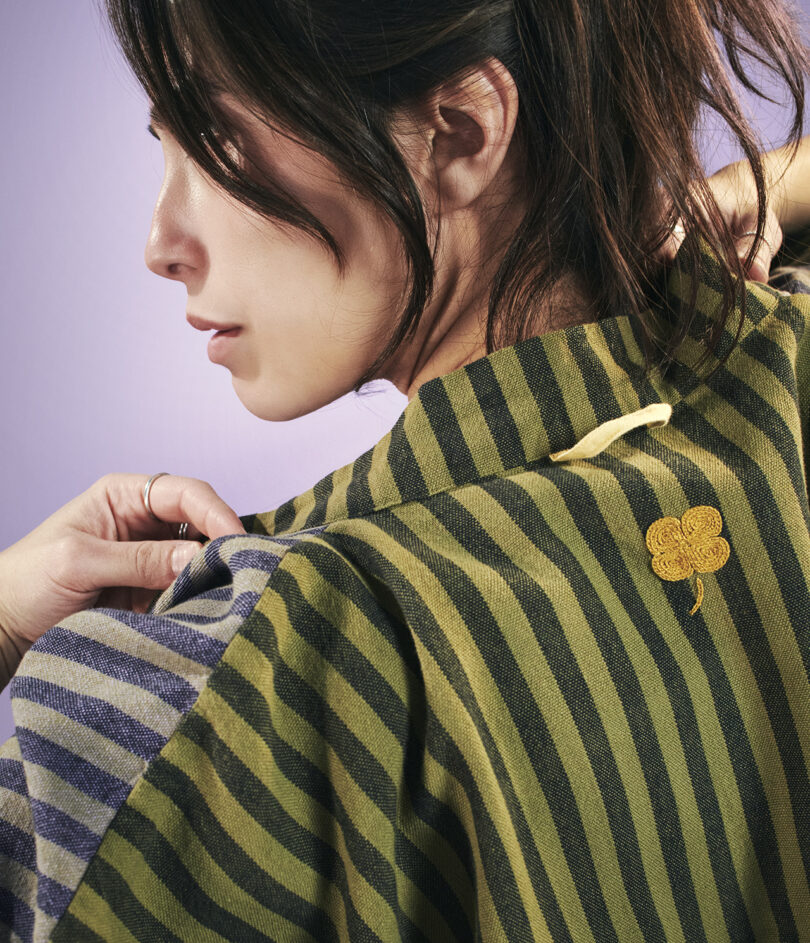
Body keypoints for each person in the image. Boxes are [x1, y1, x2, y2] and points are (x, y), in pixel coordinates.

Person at [1, 0, 810, 939]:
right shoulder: (783, 357)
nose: (161, 244)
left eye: (215, 146)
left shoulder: (267, 670)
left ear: (460, 132)